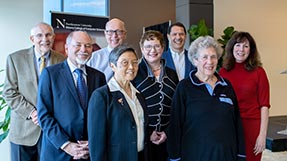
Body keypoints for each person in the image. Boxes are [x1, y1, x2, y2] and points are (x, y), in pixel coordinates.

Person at [167, 36, 246, 161]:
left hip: (226, 156)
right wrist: (175, 158)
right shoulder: (184, 88)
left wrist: (241, 155)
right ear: (195, 60)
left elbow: (237, 123)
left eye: (213, 57)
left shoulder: (226, 86)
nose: (210, 62)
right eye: (204, 57)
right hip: (195, 155)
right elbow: (175, 126)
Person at [37, 31, 106, 161]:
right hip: (58, 152)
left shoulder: (99, 77)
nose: (83, 50)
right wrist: (66, 145)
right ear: (67, 48)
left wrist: (92, 143)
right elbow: (44, 115)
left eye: (88, 45)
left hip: (88, 152)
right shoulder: (50, 74)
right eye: (78, 45)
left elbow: (102, 115)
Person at [2, 22, 66, 161]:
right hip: (23, 132)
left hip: (52, 132)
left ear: (53, 37)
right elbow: (9, 92)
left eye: (48, 35)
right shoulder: (15, 59)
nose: (45, 39)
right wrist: (32, 113)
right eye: (39, 35)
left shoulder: (62, 60)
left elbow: (64, 94)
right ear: (32, 39)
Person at [88, 45, 149, 161]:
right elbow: (96, 142)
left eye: (135, 62)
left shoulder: (139, 95)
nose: (131, 67)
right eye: (125, 63)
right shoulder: (101, 96)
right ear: (112, 66)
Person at [219, 31, 270, 161]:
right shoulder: (223, 72)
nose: (241, 49)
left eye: (246, 46)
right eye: (238, 45)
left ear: (251, 50)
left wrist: (262, 135)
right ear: (231, 47)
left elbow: (264, 105)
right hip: (229, 127)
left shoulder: (259, 72)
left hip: (251, 127)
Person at [132, 30, 179, 161]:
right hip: (141, 138)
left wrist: (167, 132)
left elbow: (176, 107)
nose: (152, 50)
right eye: (148, 46)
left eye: (157, 46)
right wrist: (148, 133)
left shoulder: (172, 74)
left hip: (167, 138)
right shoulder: (134, 74)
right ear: (142, 49)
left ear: (163, 48)